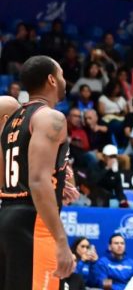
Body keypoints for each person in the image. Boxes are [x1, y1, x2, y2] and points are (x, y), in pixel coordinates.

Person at [0, 56, 76, 288]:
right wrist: (61, 241)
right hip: (33, 220)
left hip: (7, 215)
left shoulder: (12, 119)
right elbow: (37, 180)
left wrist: (58, 179)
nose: (64, 80)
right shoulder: (51, 117)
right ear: (52, 80)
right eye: (61, 74)